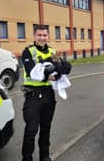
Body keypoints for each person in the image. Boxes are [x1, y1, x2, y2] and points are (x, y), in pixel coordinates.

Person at [21, 24, 71, 161]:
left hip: (48, 94)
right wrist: (50, 74)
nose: (42, 38)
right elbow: (32, 72)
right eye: (39, 35)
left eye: (44, 35)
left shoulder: (52, 51)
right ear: (34, 36)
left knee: (46, 128)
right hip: (33, 96)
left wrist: (62, 70)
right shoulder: (28, 52)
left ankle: (45, 156)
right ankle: (27, 158)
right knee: (31, 130)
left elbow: (59, 71)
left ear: (48, 36)